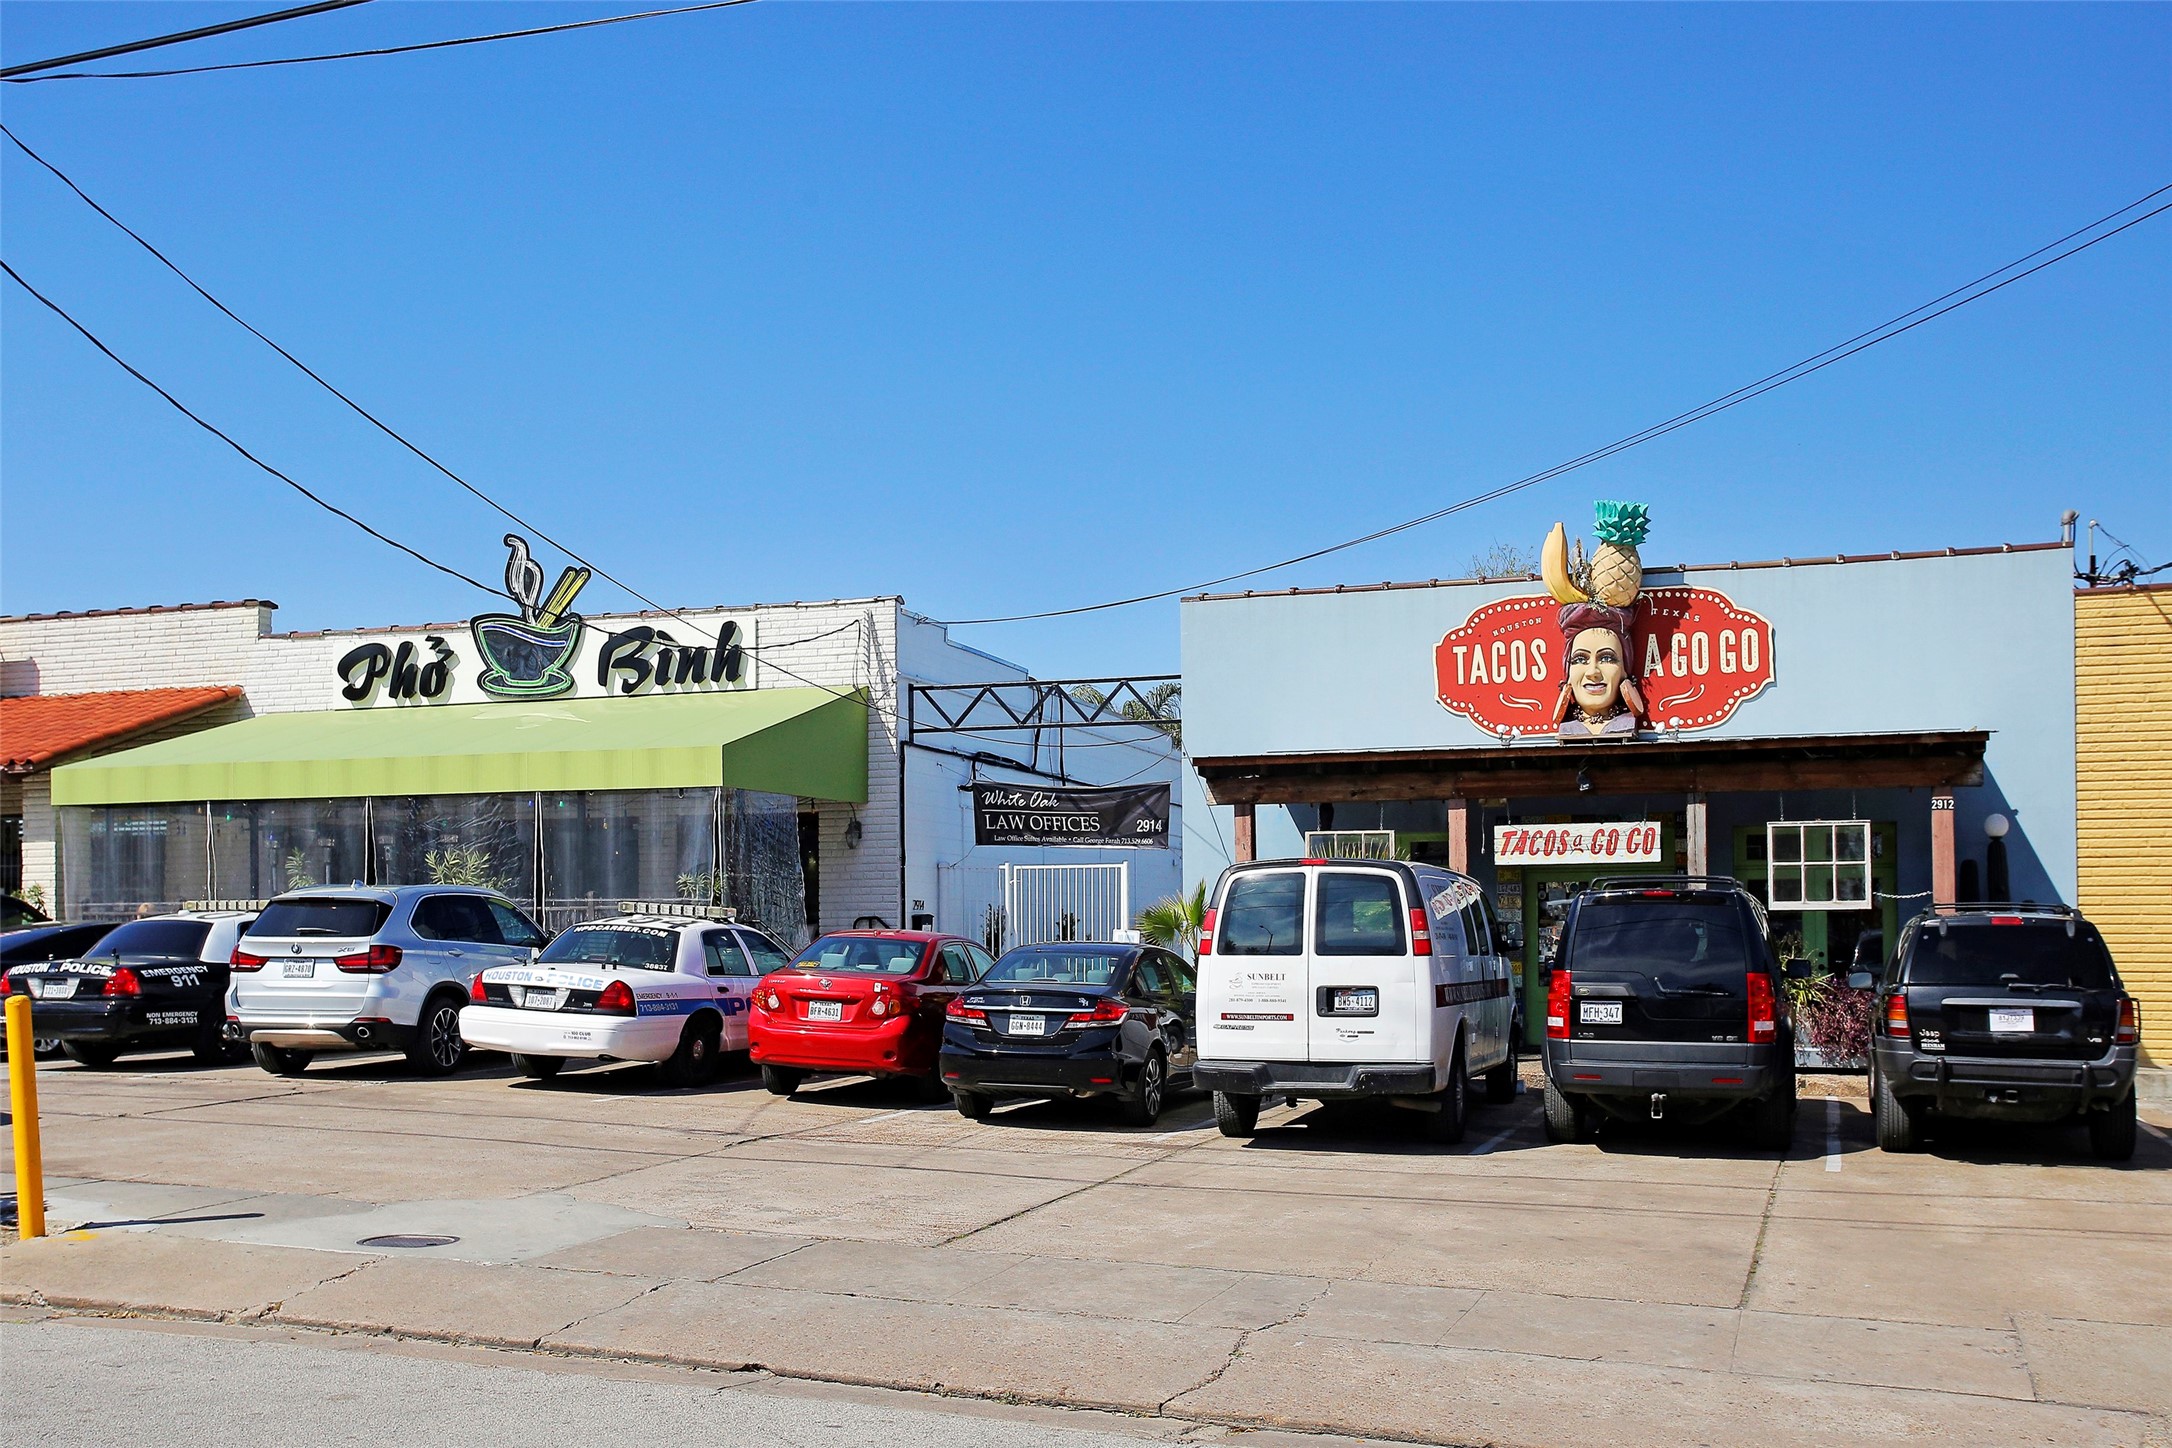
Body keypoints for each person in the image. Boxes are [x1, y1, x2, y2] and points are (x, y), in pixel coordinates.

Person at [1553, 601, 1646, 739]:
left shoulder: (1626, 724)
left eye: (1607, 658)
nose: (1593, 672)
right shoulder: (1568, 727)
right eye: (1580, 659)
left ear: (1624, 669)